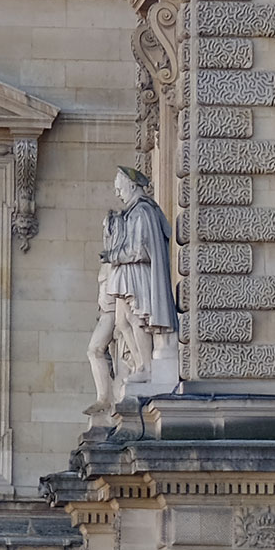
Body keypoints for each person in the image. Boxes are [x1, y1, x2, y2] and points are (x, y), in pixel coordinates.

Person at [87, 166, 178, 407]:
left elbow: (140, 249)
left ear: (132, 185)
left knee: (137, 319)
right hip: (129, 274)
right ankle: (140, 363)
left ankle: (146, 365)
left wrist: (113, 256)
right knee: (122, 322)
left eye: (120, 186)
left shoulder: (142, 212)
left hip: (138, 274)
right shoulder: (133, 213)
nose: (117, 192)